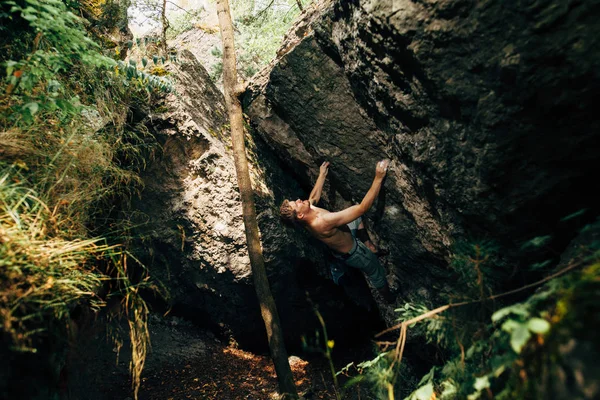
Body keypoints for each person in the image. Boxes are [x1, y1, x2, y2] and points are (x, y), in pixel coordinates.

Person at [279, 160, 395, 303]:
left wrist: (322, 175)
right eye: (295, 204)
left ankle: (370, 246)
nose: (297, 200)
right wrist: (378, 177)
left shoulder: (305, 216)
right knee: (376, 273)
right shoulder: (323, 221)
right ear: (300, 215)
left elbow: (313, 198)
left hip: (344, 236)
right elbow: (362, 208)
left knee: (356, 221)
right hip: (355, 252)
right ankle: (388, 298)